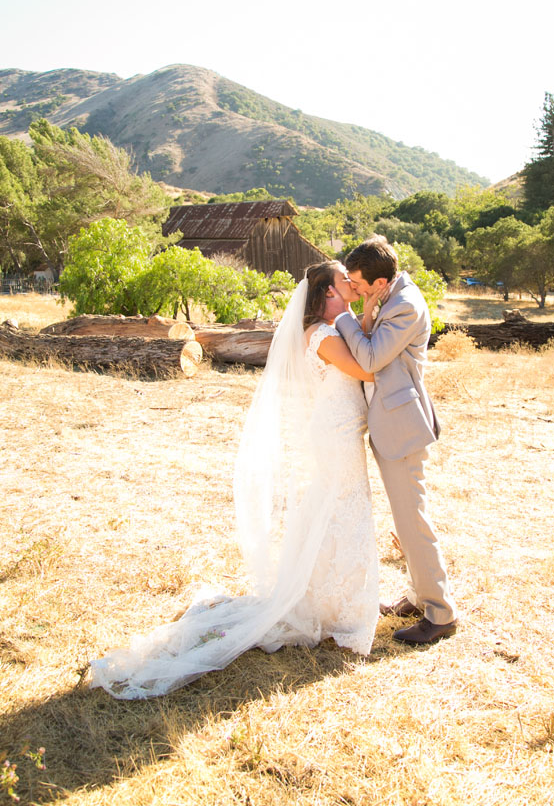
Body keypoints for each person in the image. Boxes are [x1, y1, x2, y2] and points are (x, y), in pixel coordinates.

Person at [89, 261, 379, 699]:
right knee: (343, 508)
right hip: (336, 435)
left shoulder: (333, 327)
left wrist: (368, 311)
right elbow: (368, 370)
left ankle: (331, 599)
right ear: (326, 295)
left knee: (336, 510)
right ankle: (337, 607)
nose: (352, 286)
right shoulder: (322, 334)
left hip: (337, 431)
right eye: (345, 282)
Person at [327, 235, 458, 645]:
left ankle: (441, 614)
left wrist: (345, 316)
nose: (355, 288)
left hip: (402, 427)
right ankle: (420, 596)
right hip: (390, 423)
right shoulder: (388, 296)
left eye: (360, 283)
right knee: (405, 521)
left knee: (413, 522)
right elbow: (373, 344)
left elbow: (369, 358)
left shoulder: (405, 304)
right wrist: (363, 313)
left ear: (381, 282)